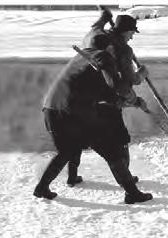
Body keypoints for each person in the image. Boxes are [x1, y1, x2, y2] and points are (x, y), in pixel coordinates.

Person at [33, 34, 152, 204]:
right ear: (109, 47)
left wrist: (135, 102)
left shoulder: (82, 60)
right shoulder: (101, 56)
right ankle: (132, 193)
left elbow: (106, 95)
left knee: (67, 151)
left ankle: (42, 187)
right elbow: (115, 87)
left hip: (51, 108)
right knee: (110, 150)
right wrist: (136, 91)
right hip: (71, 112)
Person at [67, 11, 148, 186]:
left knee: (79, 135)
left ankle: (71, 176)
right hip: (107, 98)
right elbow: (128, 81)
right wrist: (142, 73)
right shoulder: (124, 50)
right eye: (132, 32)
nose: (132, 37)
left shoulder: (95, 35)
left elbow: (96, 25)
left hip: (83, 96)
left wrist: (104, 16)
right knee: (120, 139)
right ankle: (126, 179)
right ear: (125, 31)